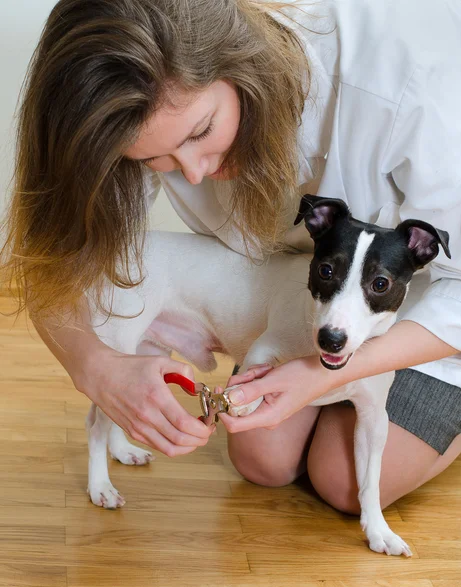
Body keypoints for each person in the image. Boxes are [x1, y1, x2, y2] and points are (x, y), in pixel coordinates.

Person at [2, 0, 461, 515]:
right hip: (301, 308)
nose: (193, 173)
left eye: (201, 133)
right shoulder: (140, 115)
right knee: (263, 460)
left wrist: (327, 375)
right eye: (157, 159)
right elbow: (55, 271)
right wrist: (96, 366)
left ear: (239, 65)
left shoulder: (413, 85)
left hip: (430, 321)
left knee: (341, 481)